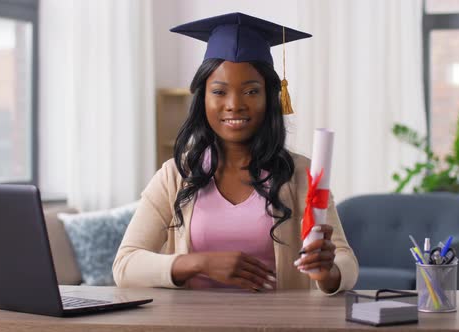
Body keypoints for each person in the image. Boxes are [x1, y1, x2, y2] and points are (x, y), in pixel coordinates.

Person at [113, 12, 358, 294]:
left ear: (270, 98)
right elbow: (125, 266)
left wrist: (328, 272)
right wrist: (197, 263)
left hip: (277, 324)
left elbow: (346, 261)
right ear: (202, 98)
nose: (234, 105)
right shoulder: (176, 175)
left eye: (251, 91)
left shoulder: (300, 174)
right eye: (219, 92)